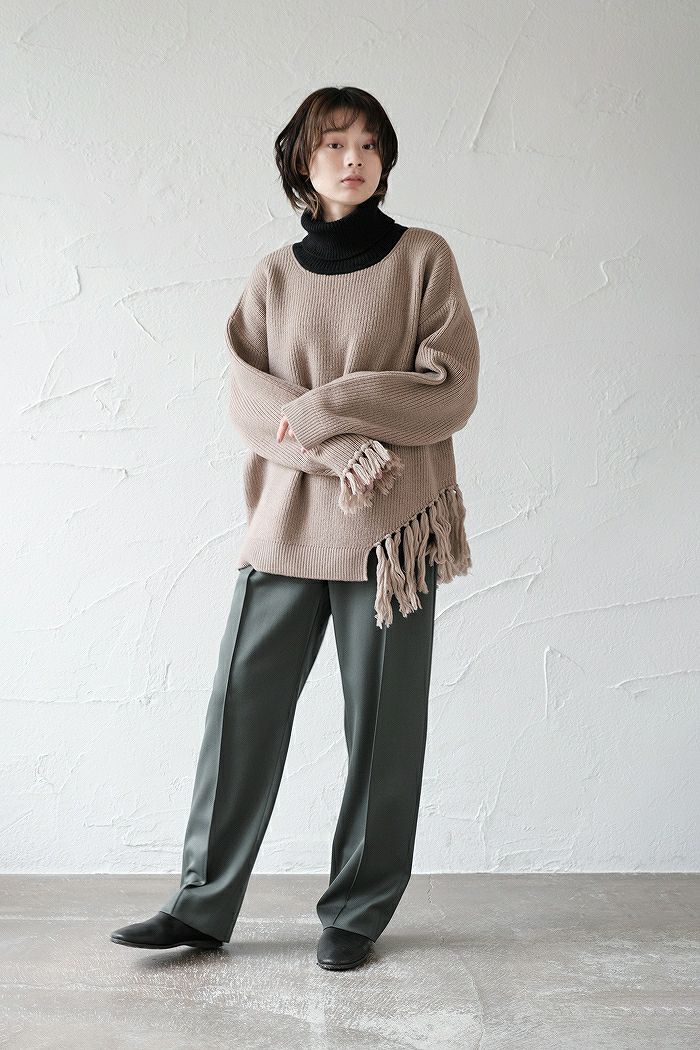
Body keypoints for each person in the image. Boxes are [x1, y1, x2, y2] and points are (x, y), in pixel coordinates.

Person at [110, 86, 480, 971]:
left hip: (392, 534)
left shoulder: (423, 258)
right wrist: (339, 444)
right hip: (288, 524)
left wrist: (327, 407)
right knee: (241, 707)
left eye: (370, 144)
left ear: (386, 160)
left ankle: (356, 911)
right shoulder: (274, 275)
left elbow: (449, 391)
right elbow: (251, 403)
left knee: (384, 730)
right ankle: (200, 905)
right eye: (334, 144)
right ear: (302, 163)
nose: (354, 158)